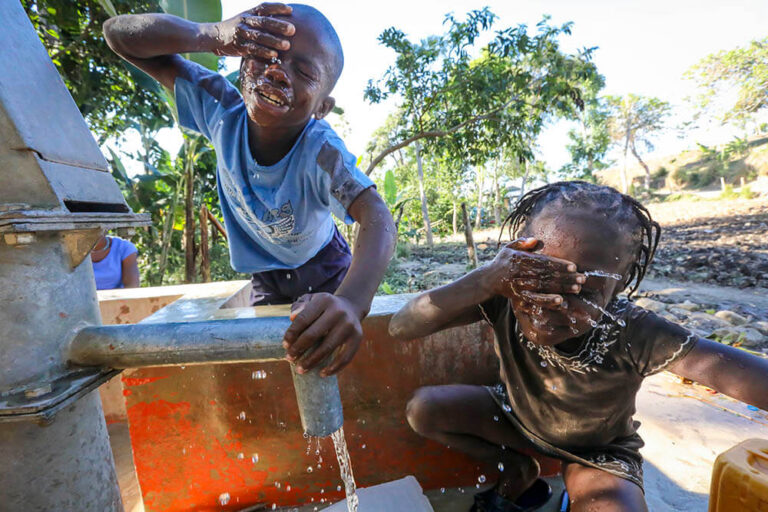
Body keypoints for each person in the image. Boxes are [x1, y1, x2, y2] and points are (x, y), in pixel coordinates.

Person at [389, 181, 768, 512]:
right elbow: (401, 326)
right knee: (424, 409)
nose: (550, 303)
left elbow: (739, 374)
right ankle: (519, 471)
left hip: (595, 452)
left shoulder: (634, 330)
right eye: (537, 277)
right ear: (515, 260)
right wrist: (484, 281)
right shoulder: (500, 295)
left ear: (618, 286)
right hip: (515, 418)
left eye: (582, 289)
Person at [103, 3, 396, 376]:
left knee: (338, 364)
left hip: (326, 269)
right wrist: (209, 35)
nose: (276, 71)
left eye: (304, 71)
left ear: (322, 107)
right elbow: (117, 34)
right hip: (266, 277)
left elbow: (377, 216)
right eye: (264, 56)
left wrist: (352, 302)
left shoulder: (321, 150)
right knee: (273, 371)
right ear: (242, 60)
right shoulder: (219, 109)